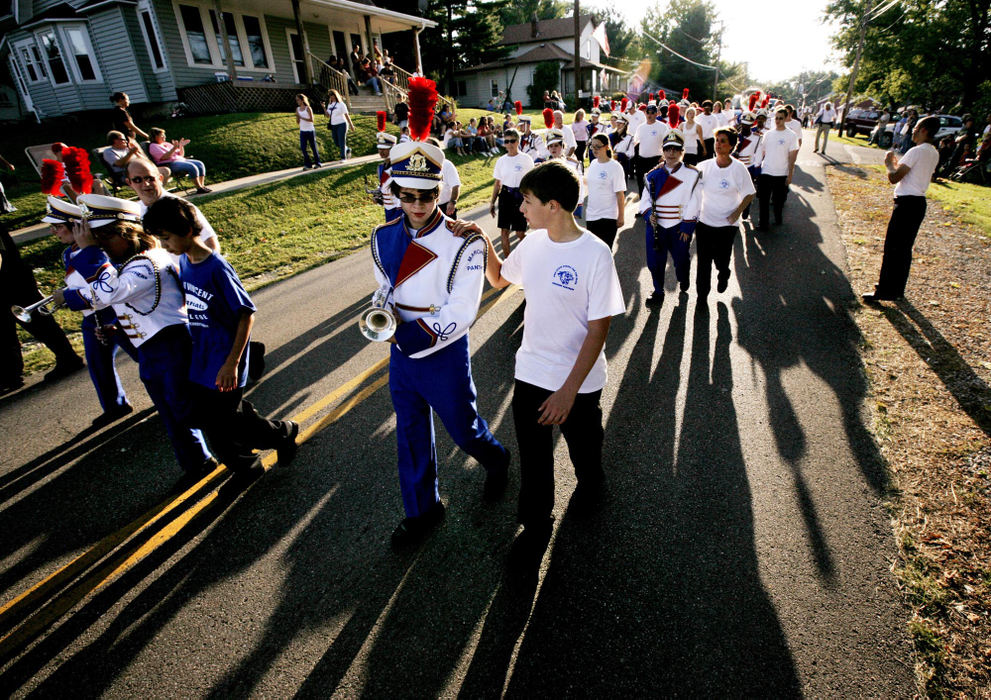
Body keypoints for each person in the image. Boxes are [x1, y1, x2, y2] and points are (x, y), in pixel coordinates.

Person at [370, 121, 511, 547]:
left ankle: (497, 459)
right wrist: (380, 309)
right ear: (395, 191)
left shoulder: (464, 240)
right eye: (407, 195)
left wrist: (408, 338)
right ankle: (422, 510)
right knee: (410, 435)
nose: (416, 204)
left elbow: (464, 310)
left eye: (427, 195)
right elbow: (384, 285)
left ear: (442, 192)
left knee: (464, 431)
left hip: (441, 352)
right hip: (400, 352)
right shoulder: (381, 238)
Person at [473, 160, 625, 548]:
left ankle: (592, 487)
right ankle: (535, 523)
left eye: (526, 200)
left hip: (579, 382)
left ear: (553, 205)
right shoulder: (533, 242)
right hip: (531, 373)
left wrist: (568, 392)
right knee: (535, 459)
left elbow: (599, 329)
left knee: (585, 453)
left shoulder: (595, 253)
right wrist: (481, 239)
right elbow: (499, 278)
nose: (520, 208)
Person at [55, 194, 216, 478]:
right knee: (171, 414)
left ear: (128, 233)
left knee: (191, 412)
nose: (101, 246)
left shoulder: (147, 261)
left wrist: (89, 251)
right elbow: (106, 294)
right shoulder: (127, 262)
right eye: (97, 239)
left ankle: (261, 437)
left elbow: (110, 292)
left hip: (172, 346)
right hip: (151, 350)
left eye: (105, 238)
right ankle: (197, 462)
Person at [142, 196, 298, 473]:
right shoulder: (185, 262)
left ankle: (275, 439)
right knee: (213, 417)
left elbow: (246, 313)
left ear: (187, 230)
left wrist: (232, 363)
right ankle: (270, 442)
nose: (164, 245)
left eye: (165, 238)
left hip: (225, 360)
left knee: (220, 421)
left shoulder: (216, 267)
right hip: (203, 357)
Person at [43, 195, 137, 426]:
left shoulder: (98, 251)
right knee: (98, 364)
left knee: (143, 356)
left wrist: (68, 297)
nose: (54, 232)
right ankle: (115, 405)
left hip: (113, 313)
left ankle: (177, 392)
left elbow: (104, 292)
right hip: (91, 318)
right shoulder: (69, 253)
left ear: (76, 226)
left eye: (58, 227)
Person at [862, 115, 941, 304]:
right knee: (904, 249)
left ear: (924, 130)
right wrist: (897, 166)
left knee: (892, 248)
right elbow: (914, 175)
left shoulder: (916, 151)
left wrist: (889, 164)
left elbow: (895, 177)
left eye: (916, 127)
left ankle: (883, 290)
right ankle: (897, 289)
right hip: (919, 202)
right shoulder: (933, 152)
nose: (912, 130)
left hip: (906, 203)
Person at [0, 219, 84, 392]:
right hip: (11, 274)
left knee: (38, 321)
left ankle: (67, 358)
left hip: (10, 276)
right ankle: (10, 375)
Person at [639, 130, 701, 307]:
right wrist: (649, 215)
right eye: (667, 149)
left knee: (681, 259)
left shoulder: (692, 174)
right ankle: (658, 291)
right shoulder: (652, 175)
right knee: (654, 262)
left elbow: (695, 202)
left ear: (682, 151)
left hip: (679, 226)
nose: (671, 153)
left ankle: (684, 278)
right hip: (656, 227)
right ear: (662, 151)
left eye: (675, 149)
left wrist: (687, 227)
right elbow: (644, 201)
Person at [695, 127, 756, 297]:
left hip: (727, 225)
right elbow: (691, 189)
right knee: (703, 261)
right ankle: (702, 294)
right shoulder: (703, 166)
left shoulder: (738, 168)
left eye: (723, 141)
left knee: (721, 260)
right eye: (717, 141)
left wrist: (736, 214)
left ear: (731, 146)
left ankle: (724, 273)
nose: (718, 145)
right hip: (705, 222)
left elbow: (750, 193)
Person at [125, 158, 219, 258]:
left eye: (150, 178)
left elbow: (210, 241)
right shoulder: (132, 211)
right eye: (137, 180)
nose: (146, 184)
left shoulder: (180, 207)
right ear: (129, 183)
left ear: (160, 179)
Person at [490, 128, 534, 253]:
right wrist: (492, 202)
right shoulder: (501, 161)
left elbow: (531, 181)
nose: (509, 144)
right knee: (504, 232)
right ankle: (508, 263)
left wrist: (531, 200)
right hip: (505, 196)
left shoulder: (526, 159)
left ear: (518, 142)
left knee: (520, 233)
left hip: (521, 197)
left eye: (512, 141)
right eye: (506, 141)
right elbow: (497, 183)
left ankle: (526, 257)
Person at [756, 107, 799, 231]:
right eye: (776, 118)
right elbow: (761, 152)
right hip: (766, 171)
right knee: (763, 200)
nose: (778, 120)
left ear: (785, 118)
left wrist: (790, 174)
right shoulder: (768, 134)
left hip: (781, 173)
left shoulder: (791, 135)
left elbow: (792, 157)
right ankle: (763, 224)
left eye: (781, 118)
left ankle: (778, 218)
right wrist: (757, 167)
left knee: (777, 201)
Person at [583, 133, 627, 249]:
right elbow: (590, 184)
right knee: (593, 251)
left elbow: (620, 194)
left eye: (598, 146)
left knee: (605, 251)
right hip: (591, 215)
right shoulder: (592, 164)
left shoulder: (615, 167)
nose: (595, 149)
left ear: (607, 147)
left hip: (607, 216)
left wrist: (621, 216)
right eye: (592, 146)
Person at [147, 127, 211, 194]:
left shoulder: (166, 144)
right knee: (191, 166)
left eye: (164, 135)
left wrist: (181, 146)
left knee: (200, 164)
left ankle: (202, 186)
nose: (164, 137)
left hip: (180, 160)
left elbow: (181, 155)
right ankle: (199, 188)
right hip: (169, 164)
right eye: (161, 135)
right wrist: (174, 148)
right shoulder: (153, 146)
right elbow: (165, 157)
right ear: (155, 137)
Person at [732, 112, 765, 221]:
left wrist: (756, 169)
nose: (745, 126)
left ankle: (746, 206)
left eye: (748, 124)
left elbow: (759, 154)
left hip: (749, 167)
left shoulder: (757, 137)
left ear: (752, 125)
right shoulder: (735, 135)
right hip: (736, 166)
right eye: (744, 124)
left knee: (747, 190)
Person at [544, 129, 584, 217]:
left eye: (556, 145)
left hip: (568, 206)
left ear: (562, 146)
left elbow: (579, 186)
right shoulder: (545, 166)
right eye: (550, 146)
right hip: (551, 207)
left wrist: (578, 206)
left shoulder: (573, 164)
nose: (553, 148)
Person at [634, 102, 669, 194]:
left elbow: (667, 142)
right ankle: (643, 205)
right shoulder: (640, 127)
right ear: (645, 113)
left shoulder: (662, 126)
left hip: (656, 159)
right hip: (642, 160)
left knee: (655, 184)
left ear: (657, 114)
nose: (650, 115)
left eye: (652, 113)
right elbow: (635, 142)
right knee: (642, 184)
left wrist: (663, 157)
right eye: (648, 112)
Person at [373, 129, 400, 221]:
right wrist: (378, 196)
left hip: (399, 208)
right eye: (380, 149)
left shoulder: (399, 166)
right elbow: (383, 186)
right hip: (388, 208)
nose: (381, 152)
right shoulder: (380, 167)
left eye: (385, 149)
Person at [322, 89, 354, 162]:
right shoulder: (330, 105)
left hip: (342, 124)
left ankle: (343, 157)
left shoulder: (341, 104)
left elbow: (346, 115)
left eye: (332, 95)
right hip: (334, 125)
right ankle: (347, 149)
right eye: (330, 95)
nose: (331, 97)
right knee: (336, 142)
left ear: (336, 95)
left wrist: (351, 125)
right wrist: (323, 107)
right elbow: (328, 115)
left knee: (341, 140)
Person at [295, 94, 322, 170]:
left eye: (298, 100)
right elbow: (298, 122)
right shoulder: (297, 109)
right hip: (302, 131)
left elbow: (311, 120)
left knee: (313, 147)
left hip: (310, 130)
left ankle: (318, 163)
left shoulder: (308, 108)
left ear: (302, 100)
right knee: (303, 148)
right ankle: (308, 164)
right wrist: (297, 117)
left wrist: (302, 117)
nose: (297, 101)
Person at [609, 113, 635, 180]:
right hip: (611, 164)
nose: (618, 125)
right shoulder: (610, 136)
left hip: (623, 165)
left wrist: (619, 156)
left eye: (620, 123)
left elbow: (631, 153)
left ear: (625, 125)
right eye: (617, 123)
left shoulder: (630, 138)